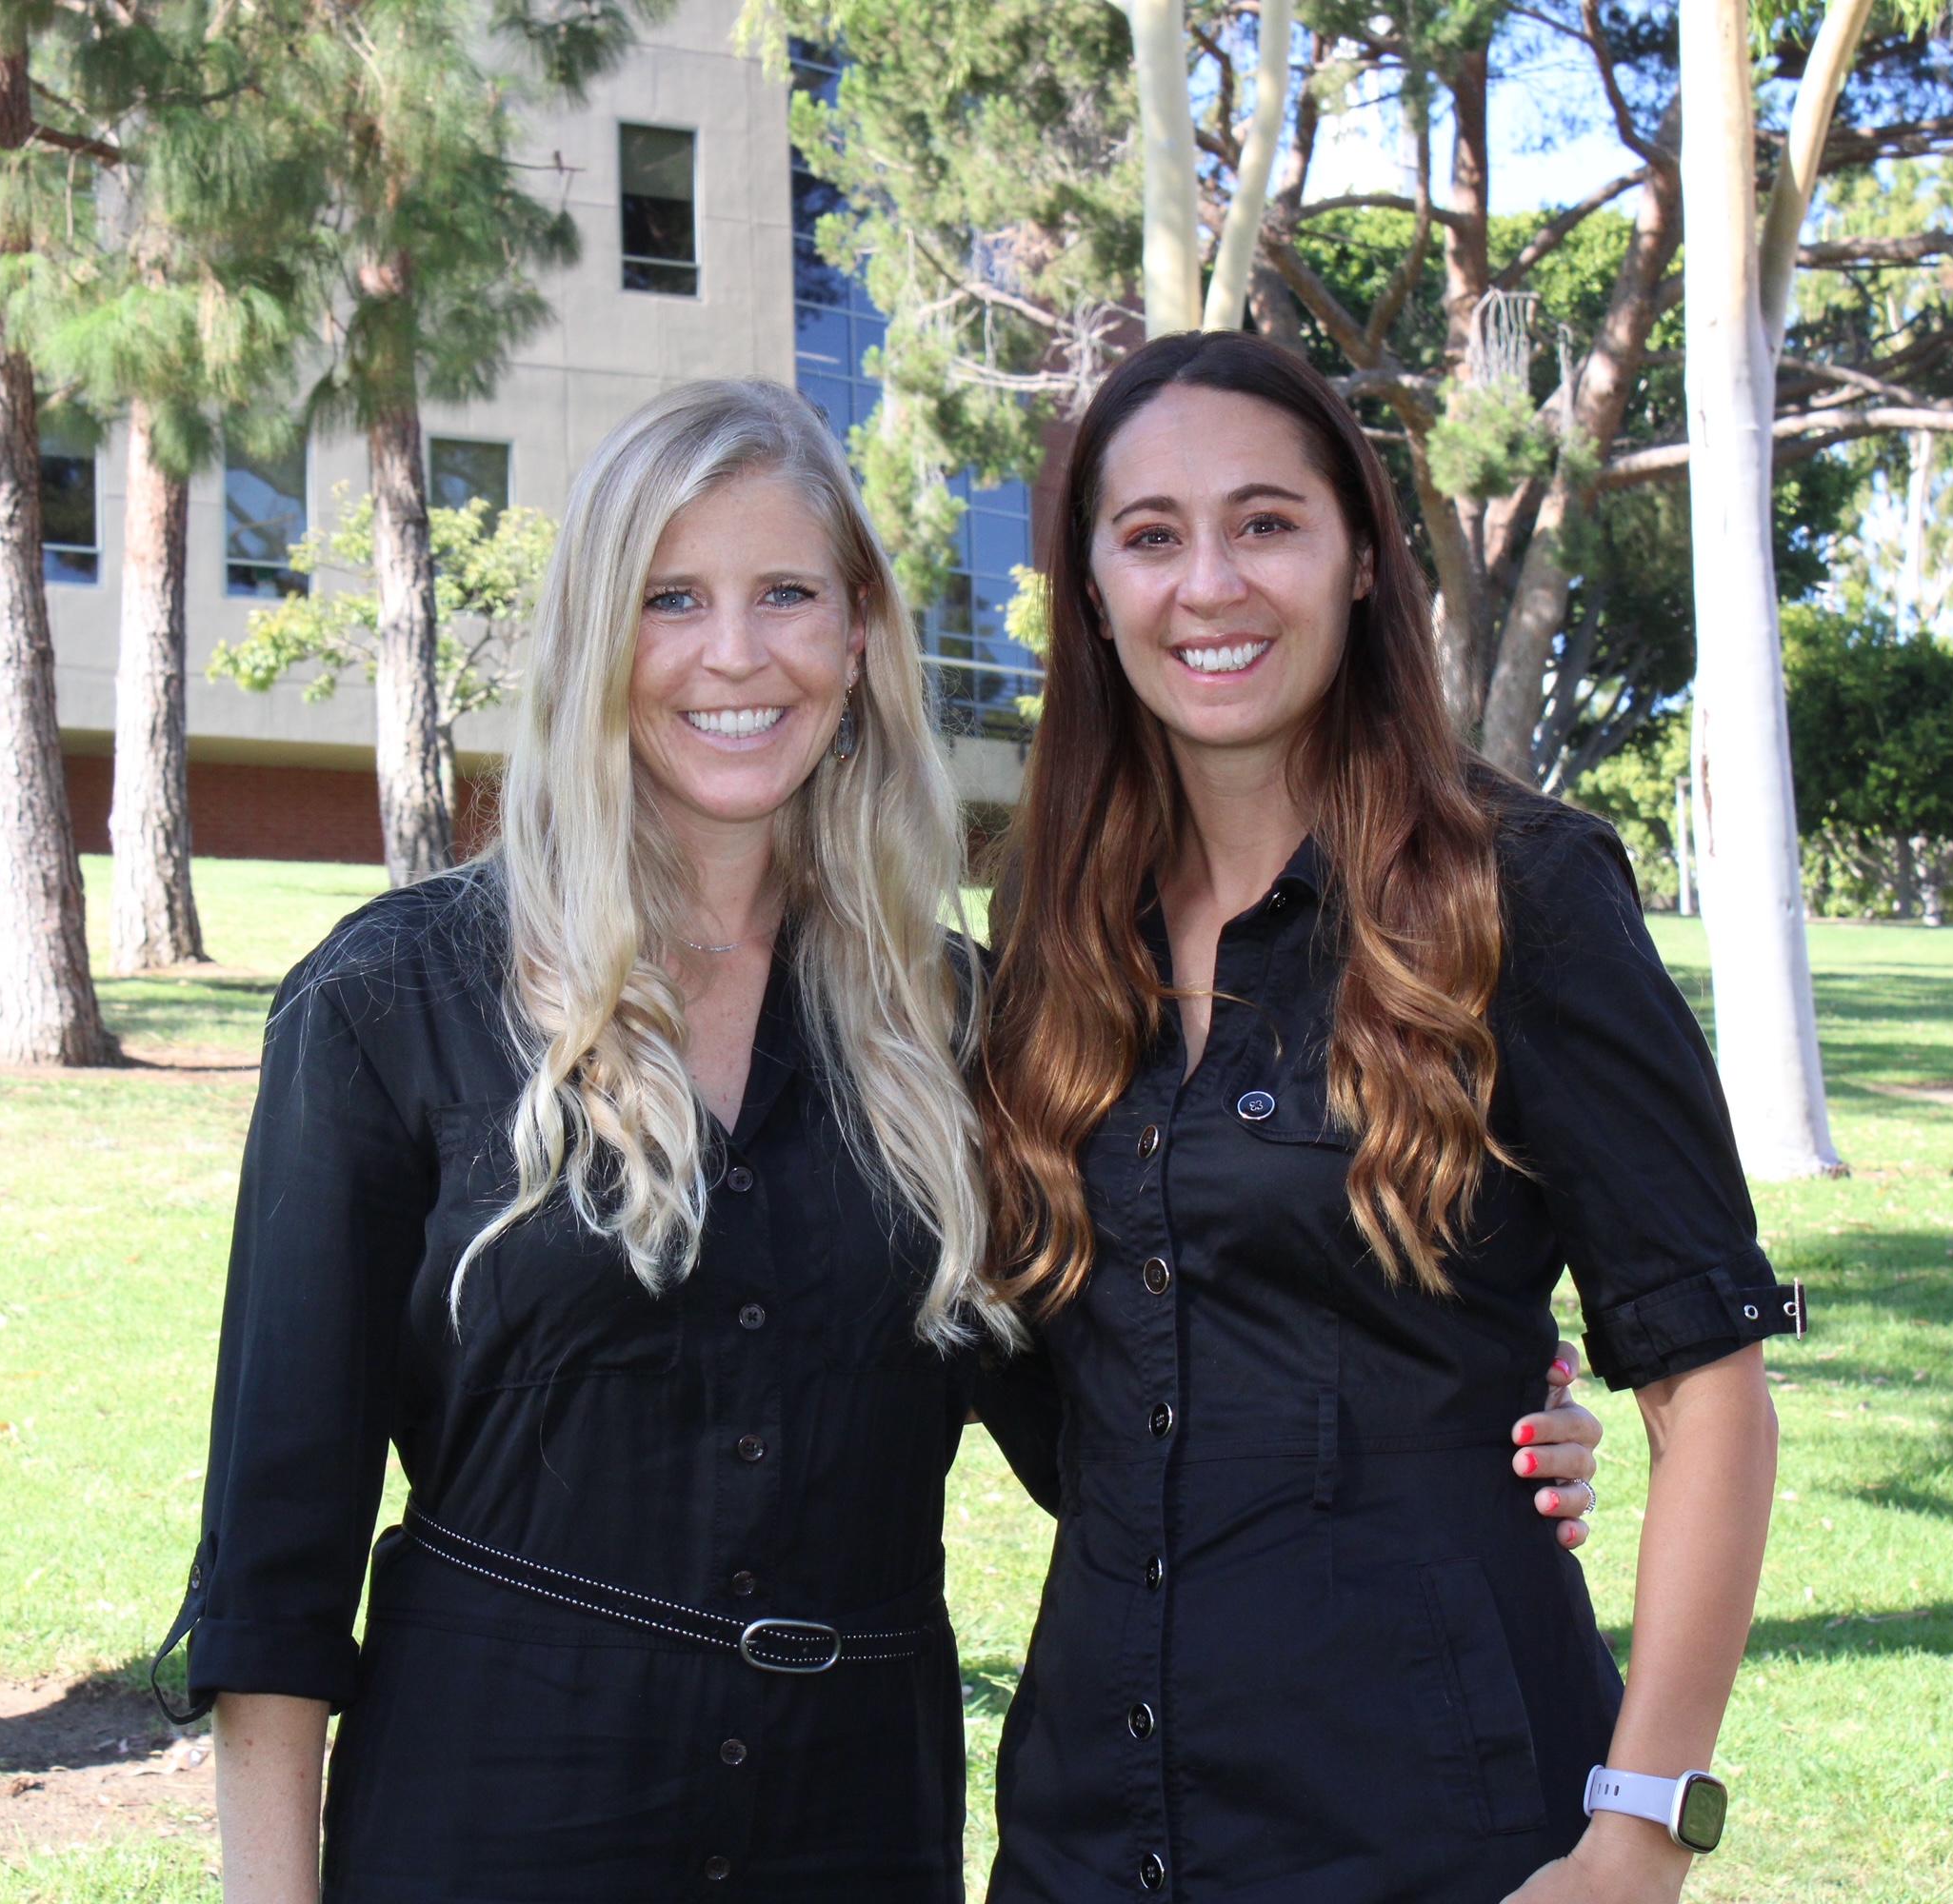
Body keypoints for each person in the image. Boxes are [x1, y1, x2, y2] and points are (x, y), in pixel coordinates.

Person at [164, 378, 1603, 1904]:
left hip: (855, 1830)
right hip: (494, 1821)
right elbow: (277, 1559)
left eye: (786, 592)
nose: (736, 654)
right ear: (597, 638)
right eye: (672, 598)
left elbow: (1120, 1420)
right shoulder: (389, 1007)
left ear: (859, 637)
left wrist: (1443, 1428)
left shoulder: (964, 1025)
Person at [972, 330, 1792, 1904]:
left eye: (1265, 522)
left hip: (1436, 1828)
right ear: (1090, 589)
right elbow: (1072, 1386)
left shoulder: (1517, 892)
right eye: (1150, 536)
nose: (1208, 583)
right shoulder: (1052, 938)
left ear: (1359, 559)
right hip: (1093, 1826)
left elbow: (1714, 1391)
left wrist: (1638, 1833)